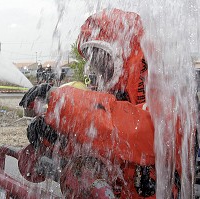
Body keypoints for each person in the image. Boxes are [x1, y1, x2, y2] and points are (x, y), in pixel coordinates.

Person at [19, 8, 190, 198]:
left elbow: (142, 132)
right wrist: (57, 137)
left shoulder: (163, 85)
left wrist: (60, 103)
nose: (97, 67)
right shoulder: (118, 92)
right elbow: (103, 142)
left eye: (101, 57)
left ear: (125, 52)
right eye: (93, 59)